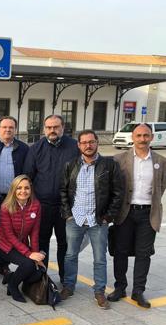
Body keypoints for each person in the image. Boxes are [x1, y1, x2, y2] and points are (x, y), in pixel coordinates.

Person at [59, 130, 123, 309]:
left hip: (98, 220)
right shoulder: (70, 165)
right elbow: (63, 190)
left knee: (99, 258)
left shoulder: (109, 165)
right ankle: (69, 286)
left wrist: (108, 217)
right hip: (75, 218)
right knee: (70, 254)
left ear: (97, 143)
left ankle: (99, 291)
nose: (88, 145)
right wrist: (67, 213)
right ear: (78, 145)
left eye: (92, 142)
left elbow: (118, 193)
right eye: (84, 142)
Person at [108, 123, 166, 308]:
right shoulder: (119, 159)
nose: (142, 139)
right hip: (125, 213)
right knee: (120, 251)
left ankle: (138, 291)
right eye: (139, 135)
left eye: (146, 135)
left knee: (144, 254)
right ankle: (120, 287)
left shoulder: (160, 161)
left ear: (151, 137)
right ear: (133, 137)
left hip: (148, 214)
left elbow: (161, 186)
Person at [23, 114, 79, 282]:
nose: (52, 130)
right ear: (44, 129)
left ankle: (65, 279)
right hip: (42, 206)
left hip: (66, 207)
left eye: (56, 127)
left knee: (65, 245)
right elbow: (28, 177)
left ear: (63, 128)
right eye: (48, 127)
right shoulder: (35, 149)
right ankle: (42, 278)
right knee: (41, 244)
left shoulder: (75, 147)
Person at [0, 116, 29, 281]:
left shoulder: (23, 149)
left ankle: (4, 265)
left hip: (12, 201)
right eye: (4, 127)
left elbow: (27, 174)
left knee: (9, 234)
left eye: (11, 127)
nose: (8, 130)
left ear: (15, 129)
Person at [0, 175, 44, 303]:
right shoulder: (6, 207)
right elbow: (9, 235)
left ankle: (11, 277)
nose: (23, 191)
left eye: (26, 188)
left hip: (20, 243)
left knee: (38, 268)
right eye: (19, 188)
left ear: (31, 190)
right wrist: (29, 254)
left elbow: (34, 233)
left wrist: (35, 253)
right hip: (3, 244)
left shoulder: (36, 205)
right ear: (13, 190)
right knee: (27, 263)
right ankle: (13, 285)